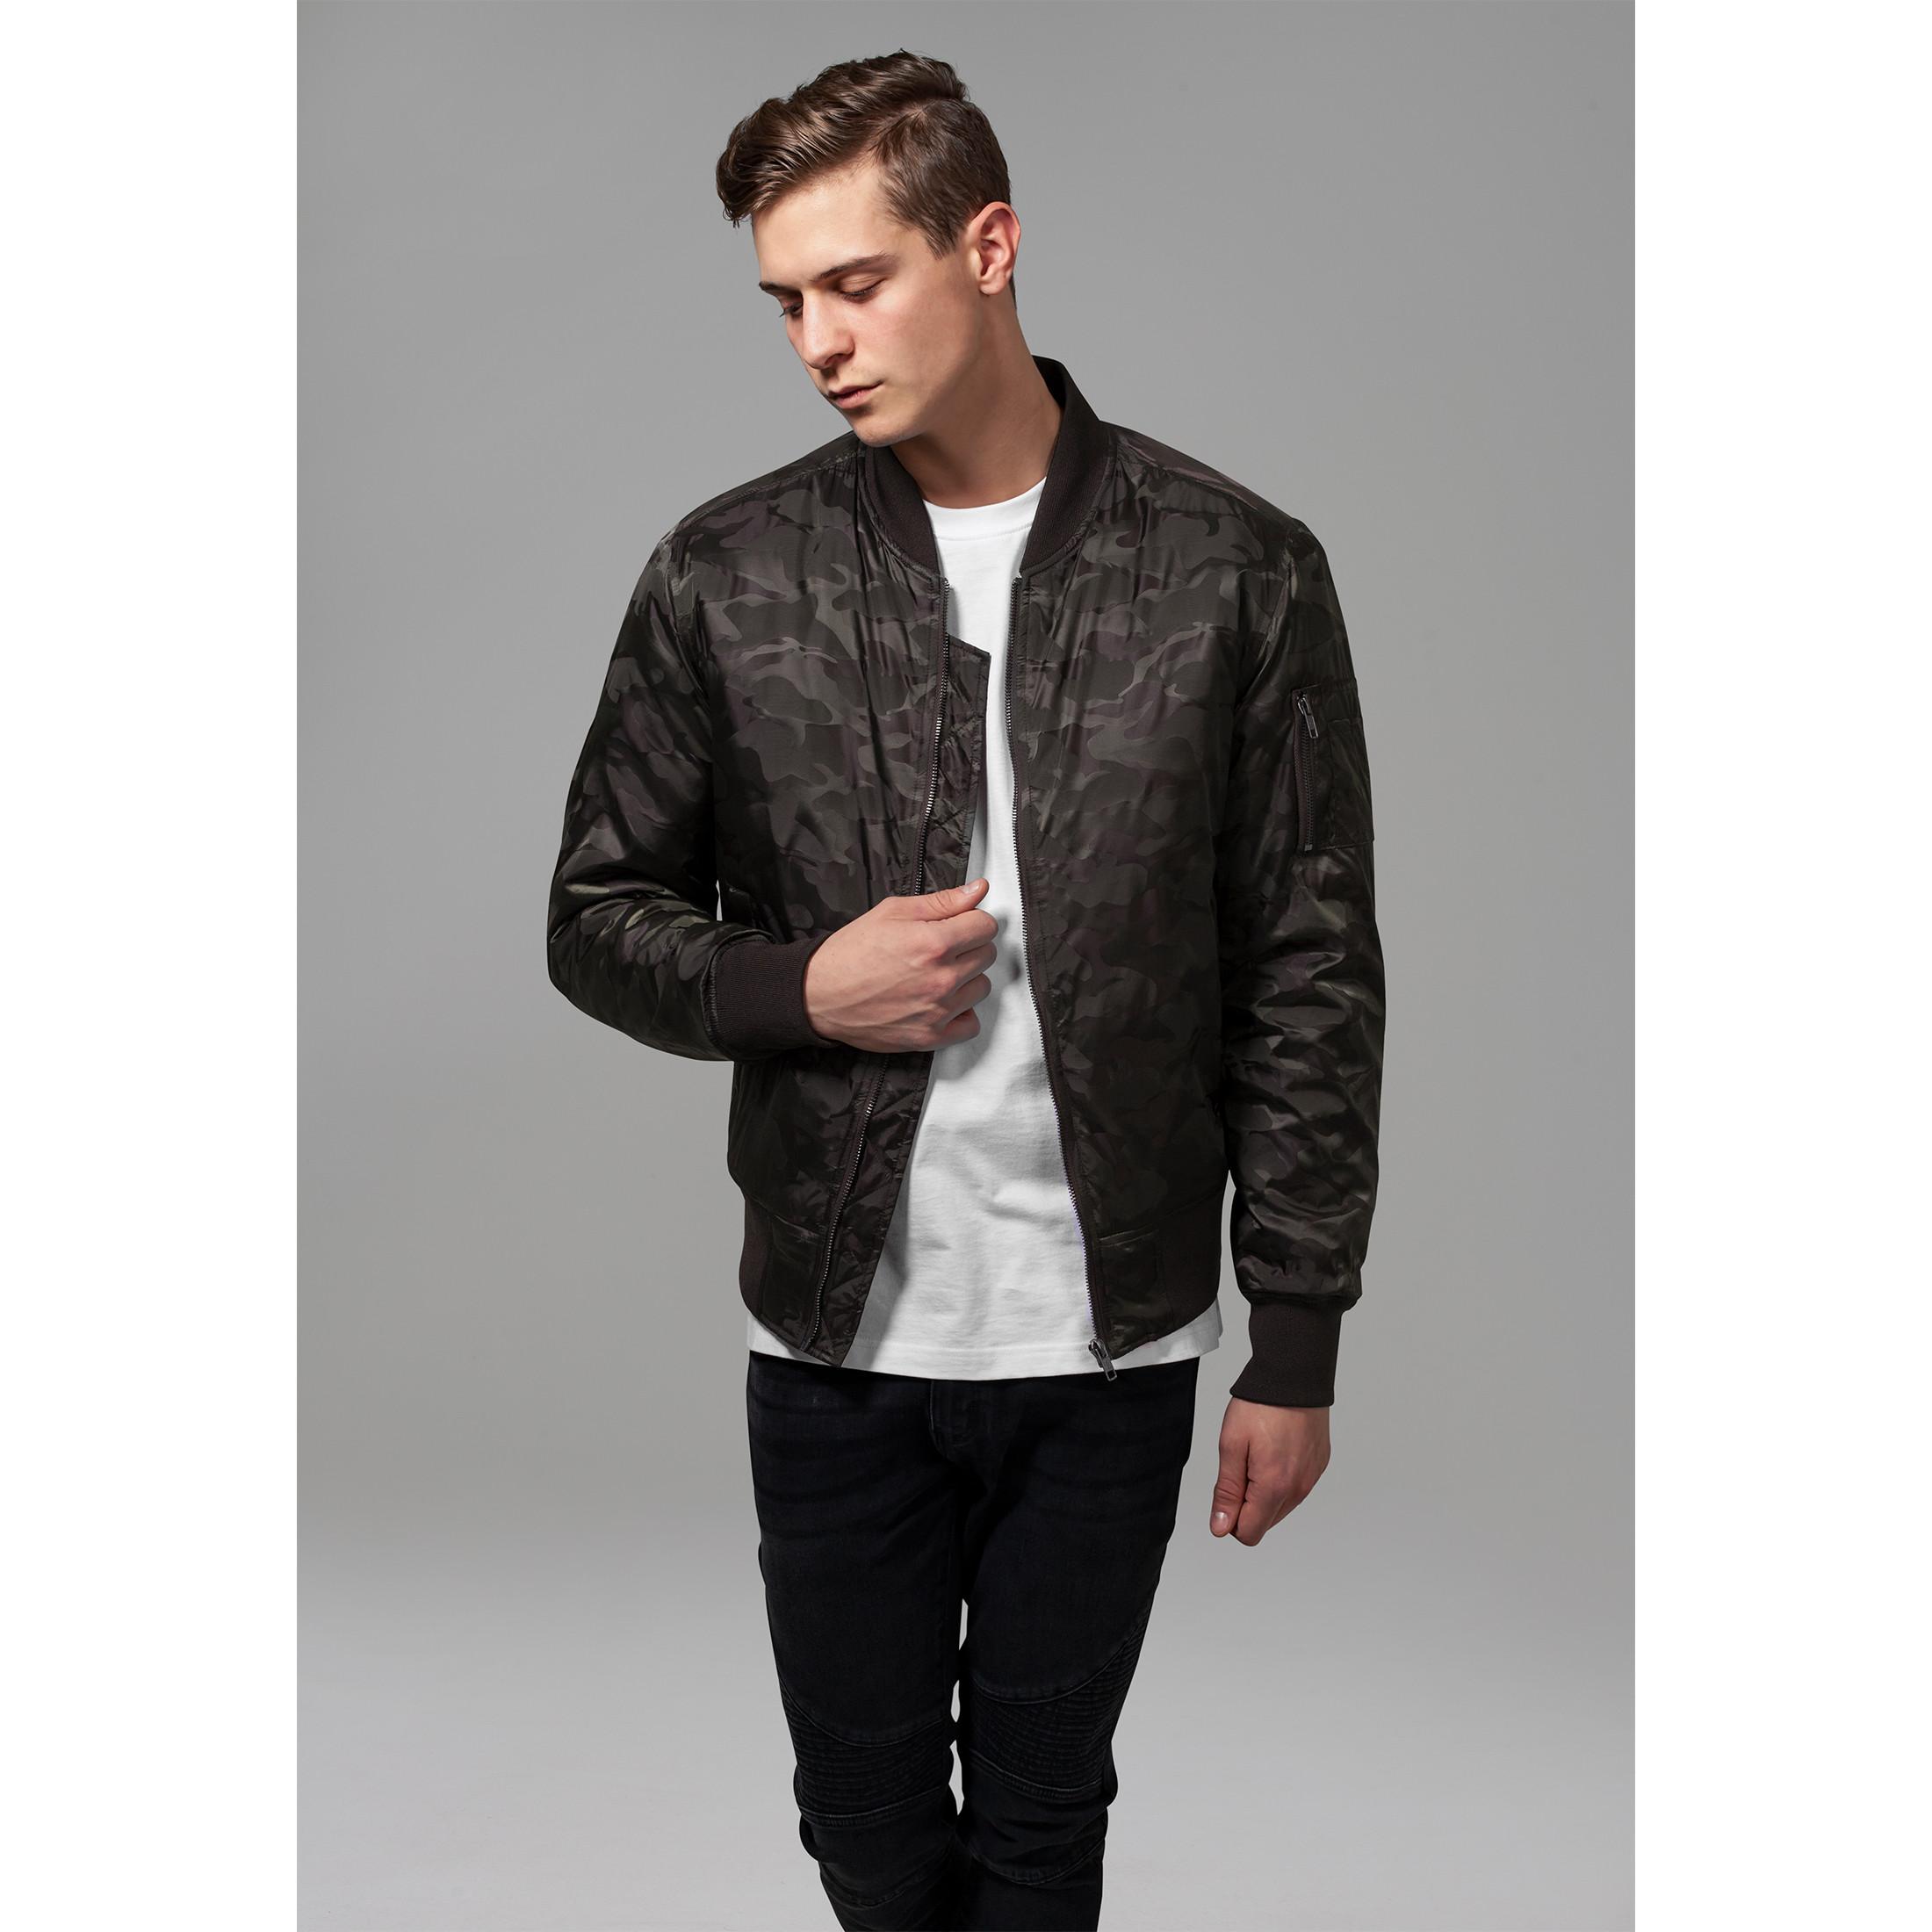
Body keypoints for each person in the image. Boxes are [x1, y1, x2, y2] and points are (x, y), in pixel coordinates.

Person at [545, 48, 1385, 1932]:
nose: (818, 344)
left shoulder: (1234, 571)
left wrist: (1298, 1334)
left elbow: (1309, 967)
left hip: (1112, 1350)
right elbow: (593, 912)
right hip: (837, 1345)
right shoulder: (726, 573)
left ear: (987, 247)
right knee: (861, 1825)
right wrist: (801, 985)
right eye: (786, 303)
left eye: (856, 283)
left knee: (1040, 1825)